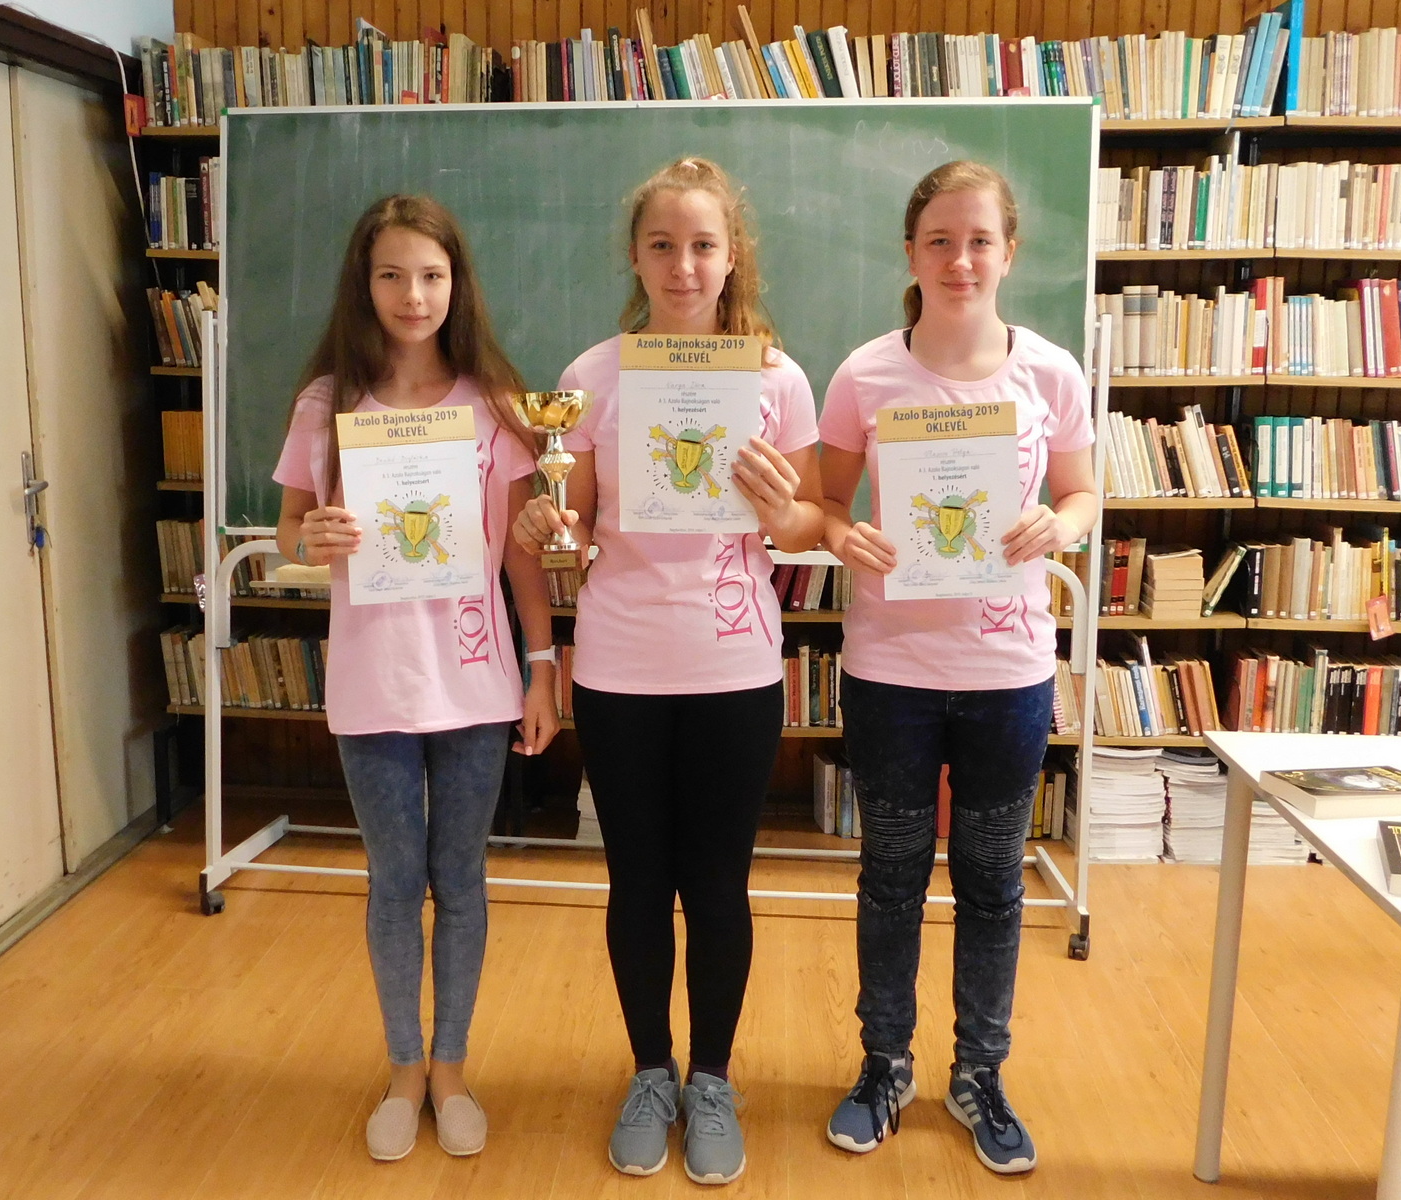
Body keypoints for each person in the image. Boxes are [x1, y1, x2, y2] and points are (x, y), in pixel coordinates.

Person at [512, 157, 824, 1186]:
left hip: (735, 667)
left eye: (702, 245)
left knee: (718, 884)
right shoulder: (592, 375)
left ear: (733, 256)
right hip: (620, 667)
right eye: (662, 245)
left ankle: (713, 1080)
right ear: (635, 257)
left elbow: (808, 524)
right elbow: (575, 524)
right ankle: (651, 1072)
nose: (683, 265)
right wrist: (552, 525)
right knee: (638, 882)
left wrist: (783, 509)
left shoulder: (776, 379)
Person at [817, 161, 1097, 1175]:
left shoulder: (1050, 374)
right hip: (891, 669)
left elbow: (1082, 495)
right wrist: (842, 536)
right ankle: (883, 1064)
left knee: (990, 881)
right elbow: (826, 505)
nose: (960, 259)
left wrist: (1058, 524)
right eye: (939, 240)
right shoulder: (864, 375)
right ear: (911, 252)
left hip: (1007, 674)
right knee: (890, 876)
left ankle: (979, 1072)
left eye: (979, 241)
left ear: (1009, 252)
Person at [272, 194, 558, 1163]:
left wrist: (543, 666)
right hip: (374, 685)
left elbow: (519, 552)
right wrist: (310, 539)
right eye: (391, 274)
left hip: (474, 682)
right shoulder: (327, 404)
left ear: (456, 284)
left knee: (460, 880)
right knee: (395, 882)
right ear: (364, 284)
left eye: (431, 275)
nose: (412, 294)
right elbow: (290, 533)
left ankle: (451, 1067)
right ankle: (402, 1067)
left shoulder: (493, 404)